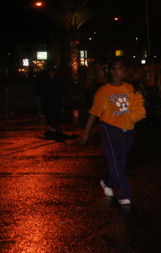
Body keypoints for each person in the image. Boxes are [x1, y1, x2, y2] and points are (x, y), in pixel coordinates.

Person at [80, 59, 138, 205]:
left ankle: (106, 181)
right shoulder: (103, 91)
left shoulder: (129, 87)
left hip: (128, 129)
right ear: (112, 72)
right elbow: (94, 113)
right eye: (120, 67)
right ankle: (124, 194)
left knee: (121, 161)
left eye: (124, 67)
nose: (124, 70)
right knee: (117, 161)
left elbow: (135, 107)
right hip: (111, 128)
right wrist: (86, 132)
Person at [34, 64, 67, 139]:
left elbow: (63, 85)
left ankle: (54, 126)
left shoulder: (58, 75)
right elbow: (38, 85)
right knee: (48, 111)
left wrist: (64, 93)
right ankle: (52, 125)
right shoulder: (44, 76)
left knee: (55, 111)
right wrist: (37, 92)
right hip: (47, 97)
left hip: (56, 96)